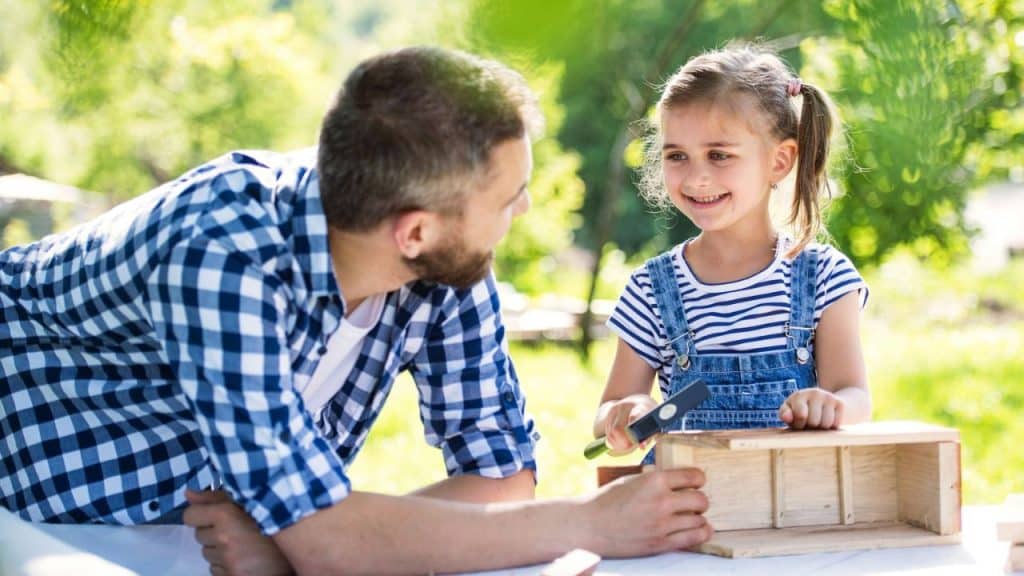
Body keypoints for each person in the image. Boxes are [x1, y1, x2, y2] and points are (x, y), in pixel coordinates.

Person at [0, 46, 712, 574]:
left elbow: (500, 481)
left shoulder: (448, 260)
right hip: (45, 518)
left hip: (190, 532)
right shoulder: (219, 252)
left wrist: (293, 543)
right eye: (508, 198)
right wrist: (588, 524)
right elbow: (328, 542)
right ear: (414, 231)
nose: (522, 211)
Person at [594, 44, 872, 458]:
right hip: (687, 509)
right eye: (677, 156)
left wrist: (831, 407)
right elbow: (607, 413)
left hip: (794, 504)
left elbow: (855, 395)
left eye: (719, 155)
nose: (697, 177)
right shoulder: (651, 290)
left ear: (779, 161)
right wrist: (627, 412)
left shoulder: (825, 277)